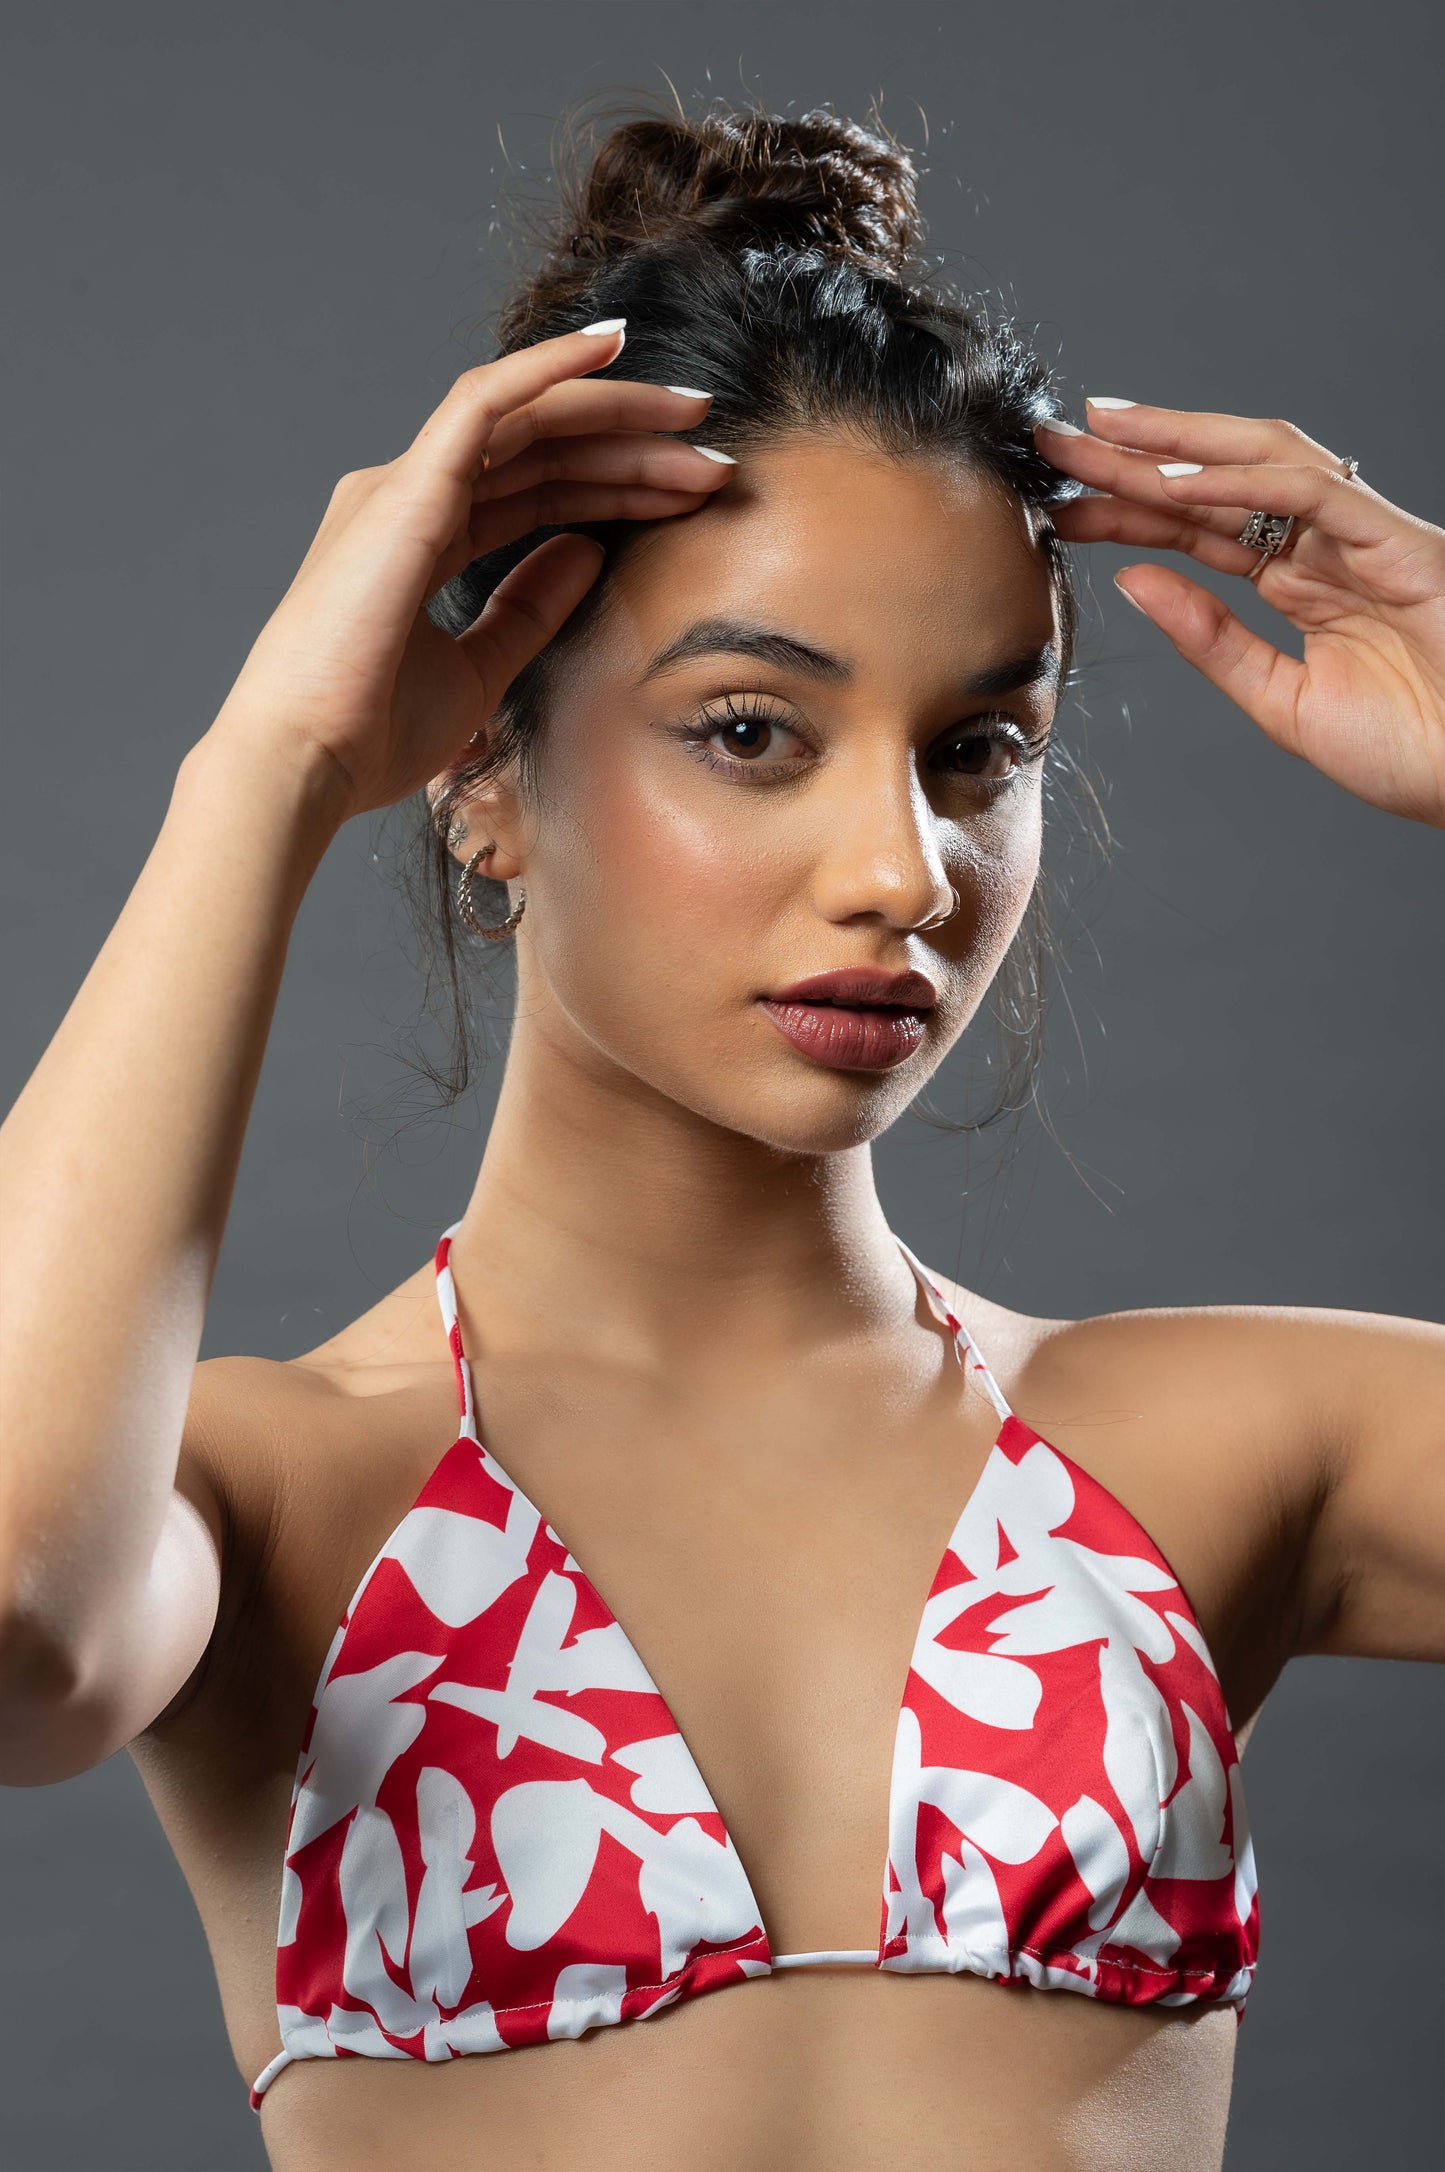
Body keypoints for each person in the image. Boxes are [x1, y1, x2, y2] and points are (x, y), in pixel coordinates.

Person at [1, 100, 1441, 2172]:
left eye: (977, 753)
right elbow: (15, 1623)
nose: (901, 867)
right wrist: (265, 768)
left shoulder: (1218, 1453)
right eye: (751, 732)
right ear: (480, 775)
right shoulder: (283, 1499)